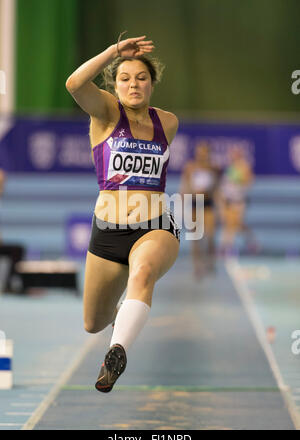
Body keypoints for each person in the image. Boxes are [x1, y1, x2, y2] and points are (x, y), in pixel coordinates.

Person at [66, 33, 180, 393]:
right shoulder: (105, 112)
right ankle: (117, 324)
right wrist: (114, 51)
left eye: (141, 78)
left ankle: (116, 353)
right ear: (114, 86)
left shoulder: (168, 123)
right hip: (108, 231)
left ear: (152, 84)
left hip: (156, 225)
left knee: (143, 272)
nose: (134, 84)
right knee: (93, 322)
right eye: (125, 78)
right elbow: (74, 84)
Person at [180, 142, 220, 277]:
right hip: (195, 203)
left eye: (204, 153)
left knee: (210, 235)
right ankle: (197, 265)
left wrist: (220, 205)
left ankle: (211, 261)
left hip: (208, 203)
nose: (202, 155)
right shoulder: (190, 167)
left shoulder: (213, 168)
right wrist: (183, 198)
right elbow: (185, 185)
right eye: (200, 152)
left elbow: (217, 188)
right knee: (196, 237)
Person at [217, 146, 254, 256]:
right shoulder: (230, 168)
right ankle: (226, 246)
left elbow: (248, 182)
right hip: (228, 200)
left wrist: (240, 181)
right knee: (230, 224)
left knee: (235, 224)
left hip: (238, 201)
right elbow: (225, 186)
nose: (232, 156)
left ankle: (227, 247)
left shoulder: (244, 167)